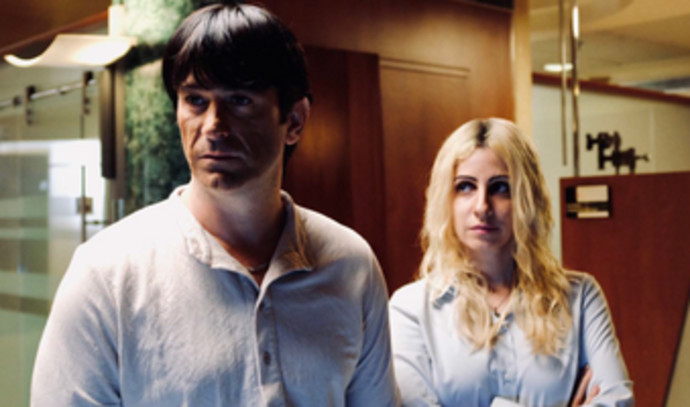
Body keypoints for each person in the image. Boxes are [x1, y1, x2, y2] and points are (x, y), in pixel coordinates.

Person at [31, 3, 399, 406]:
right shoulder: (107, 271)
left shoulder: (350, 263)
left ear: (294, 120)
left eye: (239, 100)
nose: (213, 126)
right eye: (195, 100)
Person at [389, 118, 633, 407]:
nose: (482, 207)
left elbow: (617, 400)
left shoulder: (580, 296)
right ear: (446, 199)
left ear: (528, 199)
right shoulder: (410, 309)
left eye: (501, 188)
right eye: (465, 187)